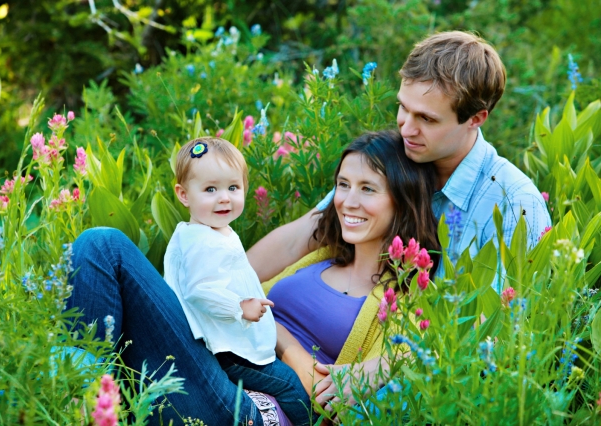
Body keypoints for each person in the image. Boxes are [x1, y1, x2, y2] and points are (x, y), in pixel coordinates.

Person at [65, 130, 438, 425]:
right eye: (342, 185)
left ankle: (75, 397)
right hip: (212, 359)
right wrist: (290, 349)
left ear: (401, 201)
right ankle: (85, 398)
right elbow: (221, 282)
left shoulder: (403, 295)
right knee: (99, 248)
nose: (347, 201)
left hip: (251, 406)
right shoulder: (317, 256)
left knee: (106, 245)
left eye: (368, 189)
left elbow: (424, 355)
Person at [247, 31, 552, 296]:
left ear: (476, 119)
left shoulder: (516, 204)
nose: (406, 128)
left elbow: (509, 326)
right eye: (403, 108)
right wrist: (221, 288)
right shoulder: (391, 157)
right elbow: (299, 239)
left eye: (427, 119)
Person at [163, 137, 315, 426]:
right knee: (290, 386)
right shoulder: (203, 243)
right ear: (183, 195)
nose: (224, 198)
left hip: (231, 341)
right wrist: (238, 305)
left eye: (233, 187)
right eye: (210, 189)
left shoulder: (205, 231)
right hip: (229, 350)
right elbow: (199, 290)